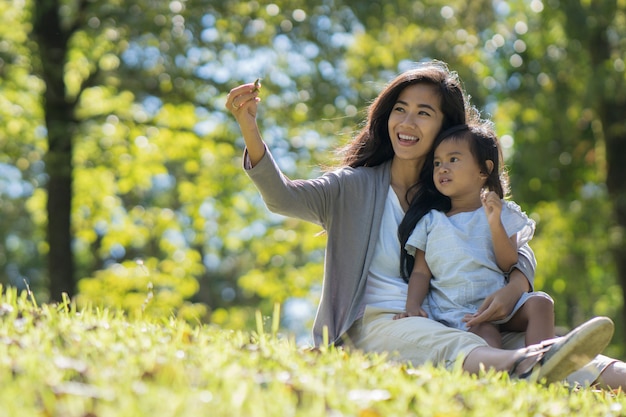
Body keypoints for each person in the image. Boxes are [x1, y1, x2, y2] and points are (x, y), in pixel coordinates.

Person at [225, 60, 620, 387]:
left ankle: (540, 363)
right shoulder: (353, 187)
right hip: (378, 325)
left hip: (453, 316)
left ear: (445, 129)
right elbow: (282, 197)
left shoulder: (449, 189)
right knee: (461, 346)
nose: (407, 121)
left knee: (585, 360)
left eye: (423, 113)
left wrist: (515, 286)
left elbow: (514, 239)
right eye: (400, 109)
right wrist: (249, 127)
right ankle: (524, 367)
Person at [393, 123, 555, 349]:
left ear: (484, 170)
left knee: (541, 303)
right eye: (437, 163)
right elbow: (421, 271)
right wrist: (412, 305)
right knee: (486, 336)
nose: (442, 168)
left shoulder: (500, 212)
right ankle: (504, 369)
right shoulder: (431, 221)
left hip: (504, 305)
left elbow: (508, 262)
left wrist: (494, 223)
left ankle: (542, 363)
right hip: (465, 313)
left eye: (453, 160)